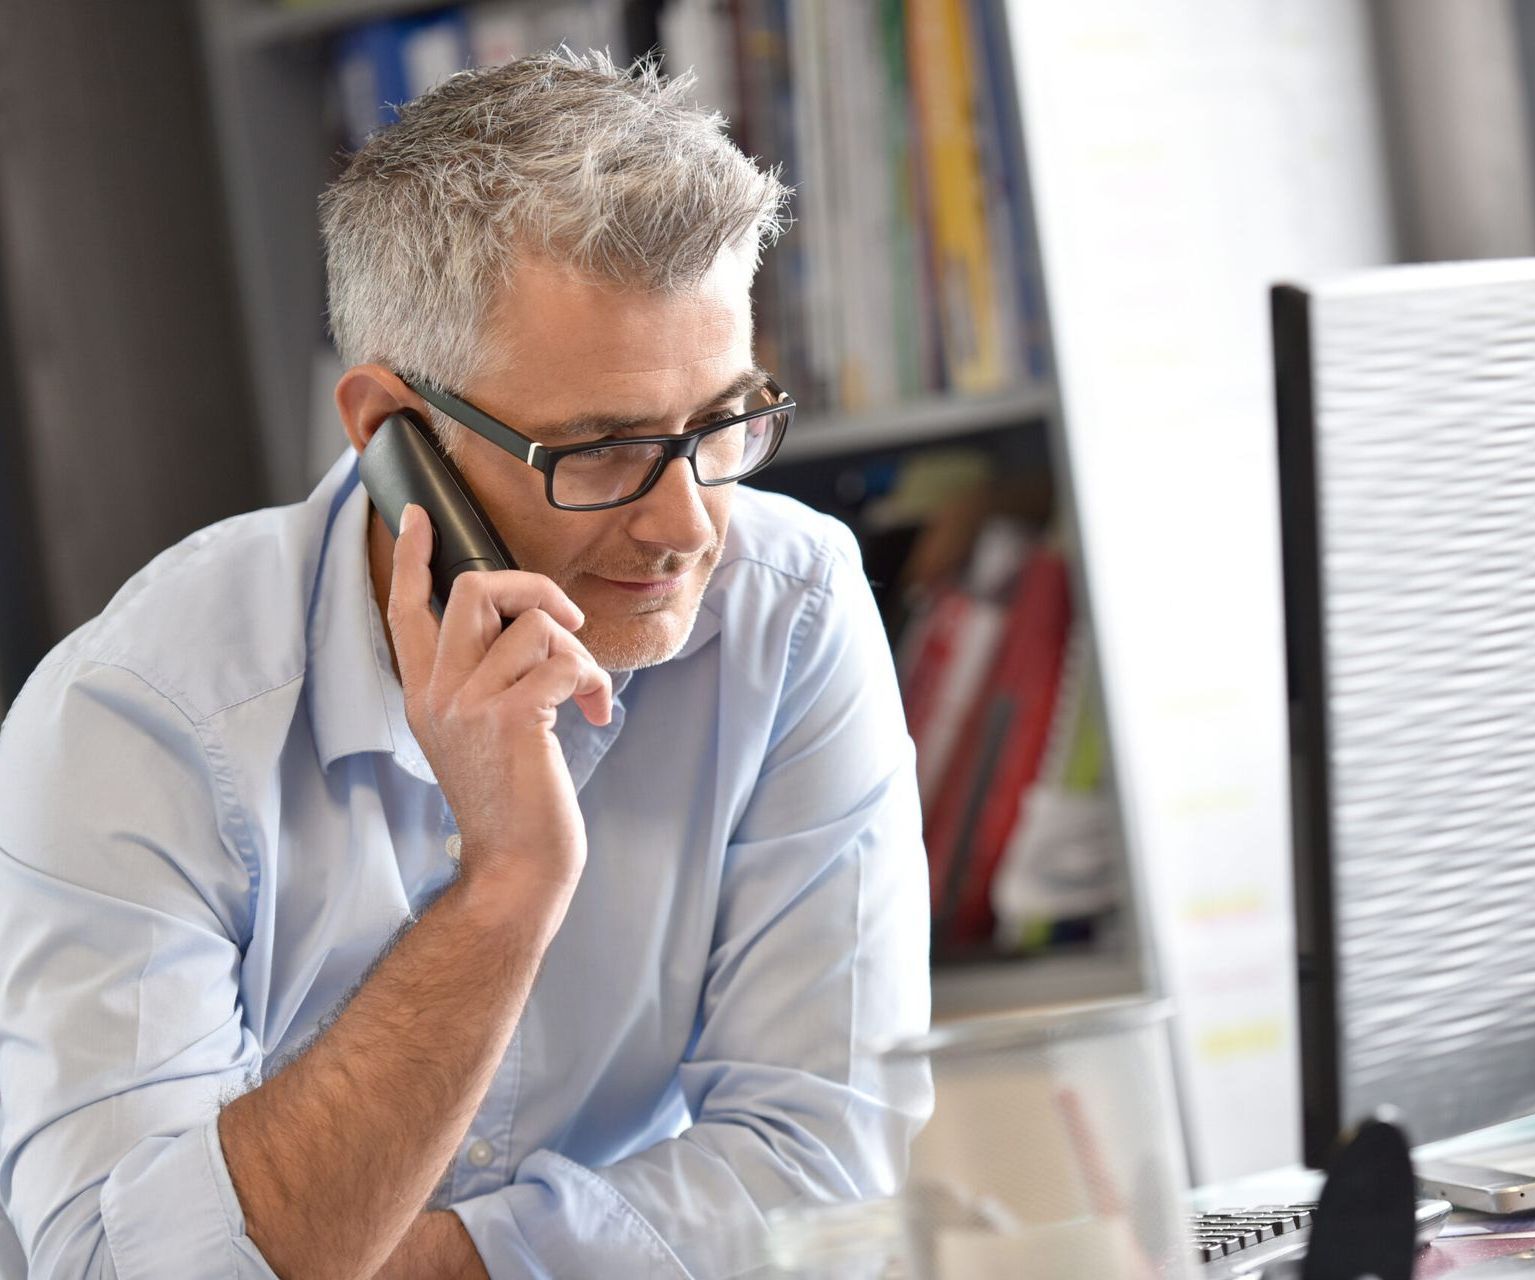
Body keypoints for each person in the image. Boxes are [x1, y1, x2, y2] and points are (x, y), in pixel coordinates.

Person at [0, 51, 930, 1279]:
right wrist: (507, 890)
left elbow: (831, 1166)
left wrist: (395, 1260)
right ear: (393, 432)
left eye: (722, 425)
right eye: (598, 452)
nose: (690, 526)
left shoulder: (786, 607)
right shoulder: (142, 715)